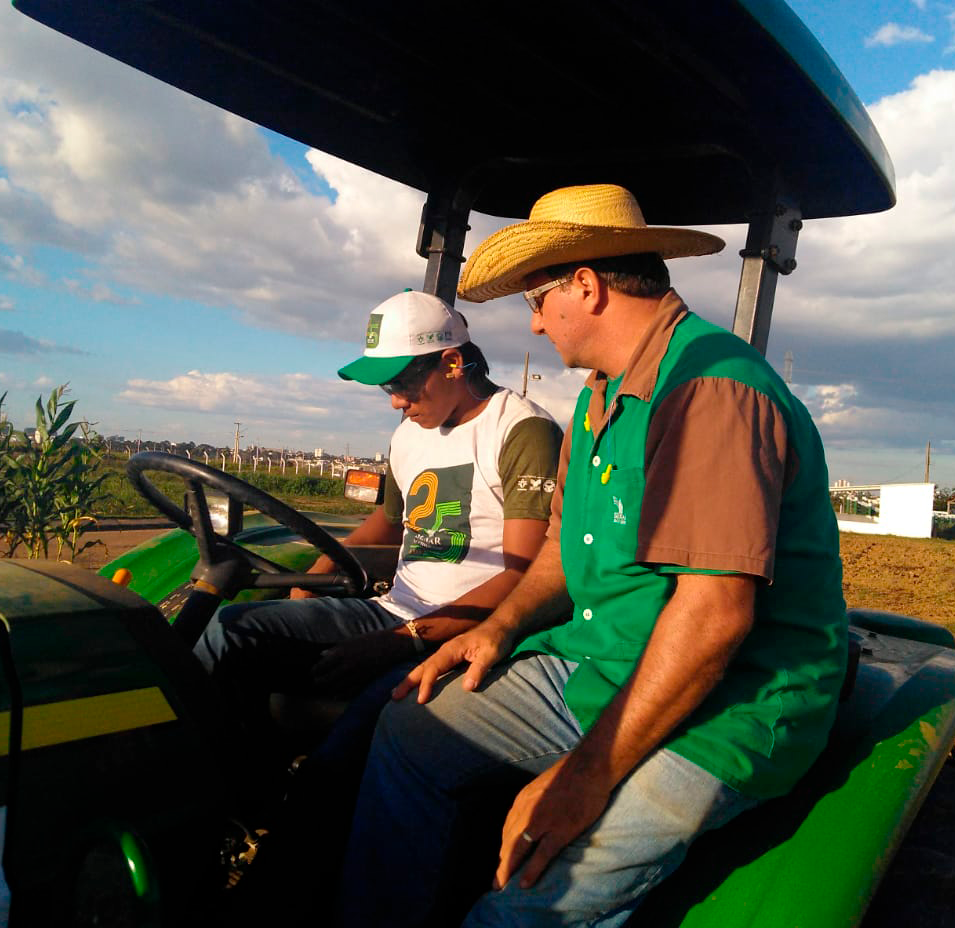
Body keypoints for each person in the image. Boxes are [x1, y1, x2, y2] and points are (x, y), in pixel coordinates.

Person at [337, 184, 850, 928]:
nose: (537, 325)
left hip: (725, 705)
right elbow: (558, 548)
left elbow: (712, 617)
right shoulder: (598, 398)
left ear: (588, 284)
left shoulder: (711, 392)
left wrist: (585, 778)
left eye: (537, 302)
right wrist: (498, 628)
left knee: (530, 902)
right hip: (601, 664)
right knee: (411, 731)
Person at [194, 289, 561, 767]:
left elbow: (523, 574)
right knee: (229, 629)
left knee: (348, 744)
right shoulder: (409, 434)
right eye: (386, 388)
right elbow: (389, 520)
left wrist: (403, 639)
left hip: (464, 633)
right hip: (394, 609)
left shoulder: (521, 430)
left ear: (452, 363)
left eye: (402, 384)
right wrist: (316, 573)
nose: (395, 402)